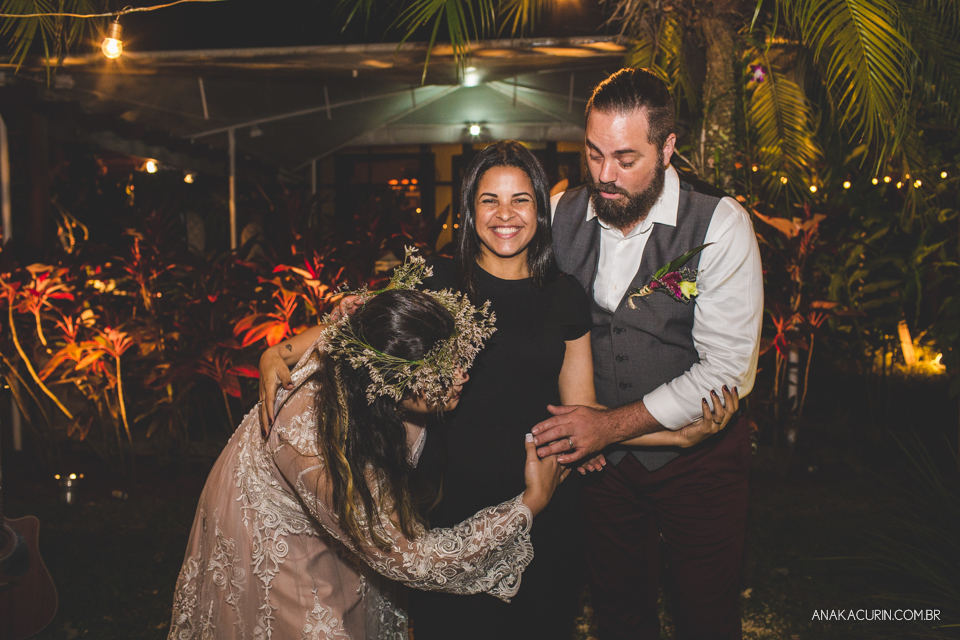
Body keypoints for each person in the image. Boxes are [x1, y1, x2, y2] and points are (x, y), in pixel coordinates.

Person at [258, 141, 738, 640]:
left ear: (540, 211)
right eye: (490, 200)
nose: (505, 215)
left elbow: (585, 415)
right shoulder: (436, 277)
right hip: (447, 507)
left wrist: (677, 436)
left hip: (546, 513)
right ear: (470, 210)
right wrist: (280, 353)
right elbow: (362, 324)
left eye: (520, 200)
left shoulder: (565, 294)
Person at [168, 265, 572, 640]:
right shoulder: (310, 446)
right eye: (440, 372)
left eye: (457, 357)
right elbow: (411, 558)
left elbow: (335, 330)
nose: (461, 375)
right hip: (271, 532)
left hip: (331, 497)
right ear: (388, 383)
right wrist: (530, 503)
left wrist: (276, 352)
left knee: (357, 599)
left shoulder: (373, 345)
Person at [531, 68, 764, 640]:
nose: (604, 176)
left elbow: (724, 371)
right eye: (593, 153)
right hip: (603, 472)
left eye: (625, 158)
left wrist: (605, 427)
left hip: (701, 463)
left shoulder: (720, 224)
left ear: (667, 148)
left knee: (706, 617)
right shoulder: (560, 213)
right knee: (618, 615)